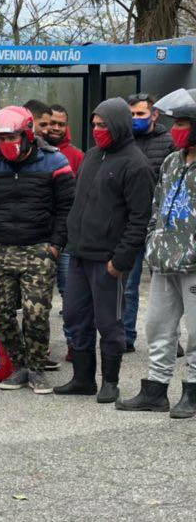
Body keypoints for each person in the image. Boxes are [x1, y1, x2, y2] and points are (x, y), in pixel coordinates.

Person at [54, 98, 154, 403]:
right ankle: (83, 379)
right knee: (73, 316)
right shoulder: (92, 156)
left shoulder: (136, 164)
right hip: (79, 255)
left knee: (109, 323)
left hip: (108, 260)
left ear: (118, 125)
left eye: (103, 125)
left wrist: (119, 260)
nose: (98, 130)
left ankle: (110, 382)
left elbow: (140, 219)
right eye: (94, 125)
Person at [0, 106, 75, 394]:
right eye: (0, 138)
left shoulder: (55, 162)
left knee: (36, 314)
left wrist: (55, 246)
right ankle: (19, 365)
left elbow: (67, 208)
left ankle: (36, 368)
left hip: (38, 249)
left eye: (12, 136)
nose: (6, 143)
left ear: (28, 133)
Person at [115, 99, 196, 417]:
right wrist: (152, 242)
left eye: (182, 125)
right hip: (163, 261)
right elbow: (157, 206)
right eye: (175, 125)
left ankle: (192, 390)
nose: (176, 131)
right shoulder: (172, 162)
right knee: (158, 327)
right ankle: (155, 390)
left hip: (193, 264)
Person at [121, 93, 176, 352]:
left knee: (166, 288)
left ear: (154, 115)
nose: (135, 119)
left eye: (140, 114)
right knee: (128, 287)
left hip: (161, 226)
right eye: (131, 115)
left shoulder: (169, 143)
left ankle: (170, 341)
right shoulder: (124, 142)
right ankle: (126, 337)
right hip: (131, 224)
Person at [35, 104, 86, 362]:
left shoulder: (77, 156)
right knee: (39, 294)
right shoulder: (32, 154)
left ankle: (74, 345)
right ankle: (40, 347)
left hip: (69, 236)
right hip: (41, 234)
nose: (54, 128)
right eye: (50, 123)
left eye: (60, 124)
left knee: (71, 293)